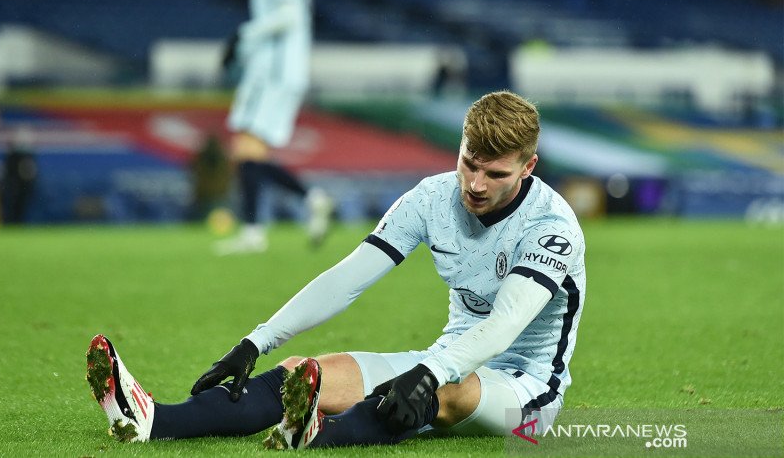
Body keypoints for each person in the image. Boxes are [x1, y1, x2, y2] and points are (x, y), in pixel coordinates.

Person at [86, 91, 587, 449]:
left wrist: (430, 373)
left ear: (528, 167)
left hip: (527, 398)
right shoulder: (432, 198)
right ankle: (152, 421)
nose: (475, 184)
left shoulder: (551, 228)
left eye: (495, 173)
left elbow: (502, 328)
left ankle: (318, 435)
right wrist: (256, 342)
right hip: (444, 359)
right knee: (305, 375)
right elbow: (347, 278)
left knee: (445, 391)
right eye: (467, 163)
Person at [216, 0, 332, 255]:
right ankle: (294, 208)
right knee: (247, 151)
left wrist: (243, 35)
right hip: (272, 72)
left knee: (246, 148)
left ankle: (260, 229)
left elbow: (289, 16)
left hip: (275, 74)